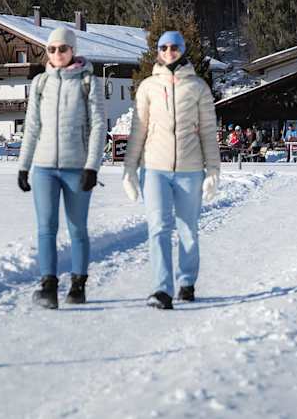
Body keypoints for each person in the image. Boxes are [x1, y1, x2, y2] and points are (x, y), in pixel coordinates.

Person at [122, 31, 220, 310]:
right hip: (154, 169)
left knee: (188, 229)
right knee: (158, 228)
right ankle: (161, 289)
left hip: (190, 170)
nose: (168, 51)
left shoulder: (199, 87)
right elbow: (137, 131)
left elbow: (209, 133)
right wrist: (129, 169)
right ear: (158, 51)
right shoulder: (148, 87)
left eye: (174, 46)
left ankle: (186, 282)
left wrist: (213, 171)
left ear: (182, 49)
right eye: (163, 47)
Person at [17, 26, 105, 309]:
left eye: (63, 48)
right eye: (52, 49)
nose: (57, 54)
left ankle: (78, 286)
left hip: (76, 167)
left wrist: (92, 166)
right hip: (43, 168)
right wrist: (23, 166)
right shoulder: (41, 83)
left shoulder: (88, 82)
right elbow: (31, 128)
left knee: (77, 228)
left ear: (73, 50)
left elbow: (98, 126)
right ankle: (48, 286)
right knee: (46, 228)